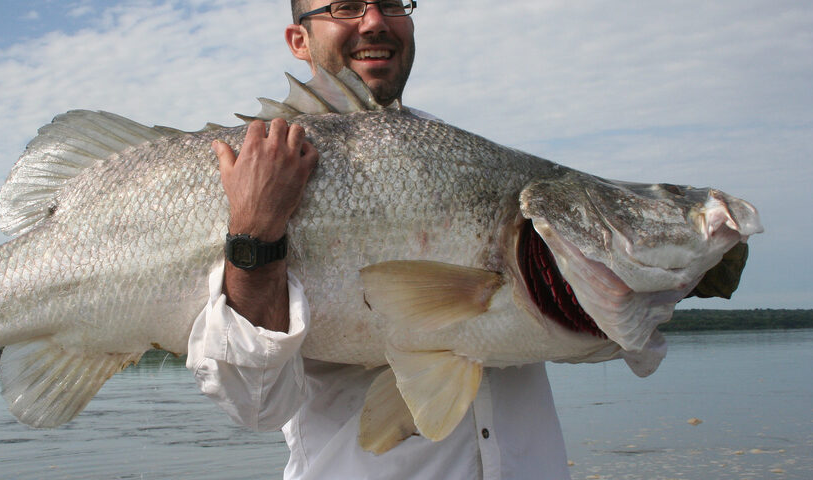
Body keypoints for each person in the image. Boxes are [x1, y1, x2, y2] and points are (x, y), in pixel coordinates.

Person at [186, 1, 571, 478]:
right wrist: (253, 234)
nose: (374, 21)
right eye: (345, 6)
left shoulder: (472, 159)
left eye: (391, 3)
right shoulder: (253, 169)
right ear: (298, 41)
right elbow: (256, 405)